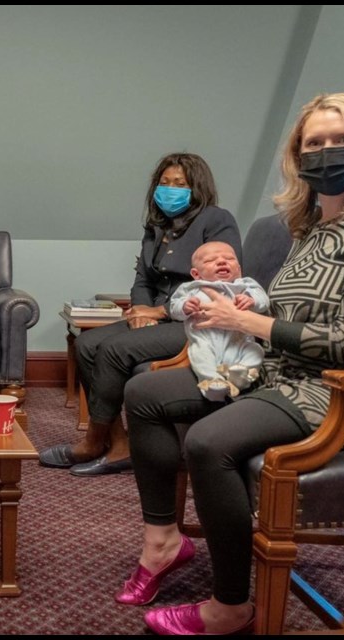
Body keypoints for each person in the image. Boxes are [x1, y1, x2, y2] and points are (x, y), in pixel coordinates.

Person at [118, 92, 344, 635]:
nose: (327, 153)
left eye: (342, 141)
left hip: (339, 393)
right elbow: (280, 308)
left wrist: (249, 324)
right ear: (298, 156)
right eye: (315, 143)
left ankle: (231, 605)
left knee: (208, 442)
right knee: (144, 395)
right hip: (278, 374)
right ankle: (164, 541)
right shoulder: (307, 230)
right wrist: (234, 303)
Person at [39, 153, 242, 476]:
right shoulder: (156, 227)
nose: (170, 190)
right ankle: (118, 445)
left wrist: (158, 311)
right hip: (155, 316)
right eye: (164, 183)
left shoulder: (216, 220)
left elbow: (221, 280)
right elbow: (143, 280)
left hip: (196, 321)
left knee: (114, 349)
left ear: (197, 188)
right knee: (87, 344)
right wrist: (139, 313)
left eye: (180, 184)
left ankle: (92, 442)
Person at [168, 241, 268, 401]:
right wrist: (185, 306)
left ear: (239, 269)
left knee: (255, 351)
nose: (222, 261)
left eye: (229, 258)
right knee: (199, 355)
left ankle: (240, 378)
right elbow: (174, 310)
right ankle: (213, 384)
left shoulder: (245, 285)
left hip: (239, 341)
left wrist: (251, 299)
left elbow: (263, 301)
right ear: (196, 274)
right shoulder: (190, 288)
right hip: (205, 340)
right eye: (209, 261)